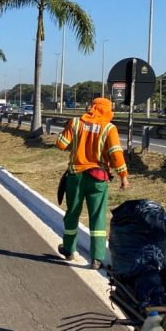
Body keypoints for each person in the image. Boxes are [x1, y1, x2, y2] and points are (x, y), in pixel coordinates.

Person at [55, 97, 129, 270]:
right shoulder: (109, 128)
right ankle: (97, 258)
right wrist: (123, 176)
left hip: (76, 176)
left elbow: (60, 144)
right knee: (97, 217)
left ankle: (68, 249)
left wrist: (75, 141)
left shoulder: (75, 123)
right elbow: (116, 154)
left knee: (72, 213)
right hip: (98, 178)